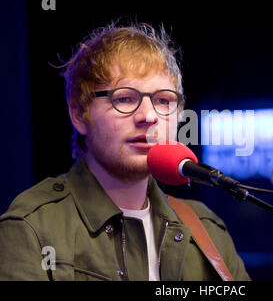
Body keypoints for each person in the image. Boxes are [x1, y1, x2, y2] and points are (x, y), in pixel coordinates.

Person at [0, 22, 250, 281]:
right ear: (78, 113)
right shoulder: (31, 228)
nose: (148, 116)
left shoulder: (206, 229)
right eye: (124, 98)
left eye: (163, 100)